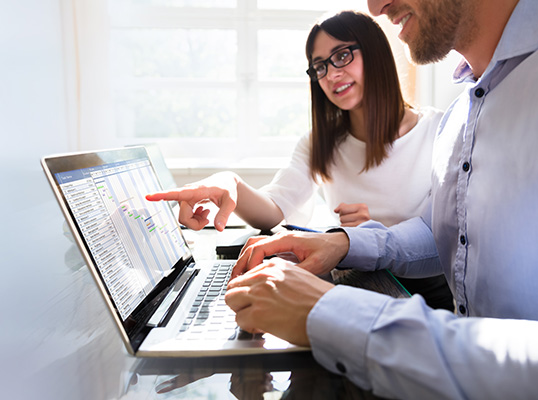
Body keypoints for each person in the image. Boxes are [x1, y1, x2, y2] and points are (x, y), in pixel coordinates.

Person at [224, 0, 538, 398]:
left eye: (342, 56)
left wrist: (330, 313)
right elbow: (440, 232)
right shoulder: (463, 112)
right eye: (321, 66)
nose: (375, 5)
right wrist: (342, 243)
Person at [147, 11, 453, 311]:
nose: (331, 75)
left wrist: (369, 235)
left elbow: (447, 237)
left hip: (428, 296)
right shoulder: (319, 142)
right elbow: (272, 210)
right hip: (360, 290)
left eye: (342, 56)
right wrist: (230, 183)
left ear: (376, 53)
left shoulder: (441, 130)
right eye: (319, 66)